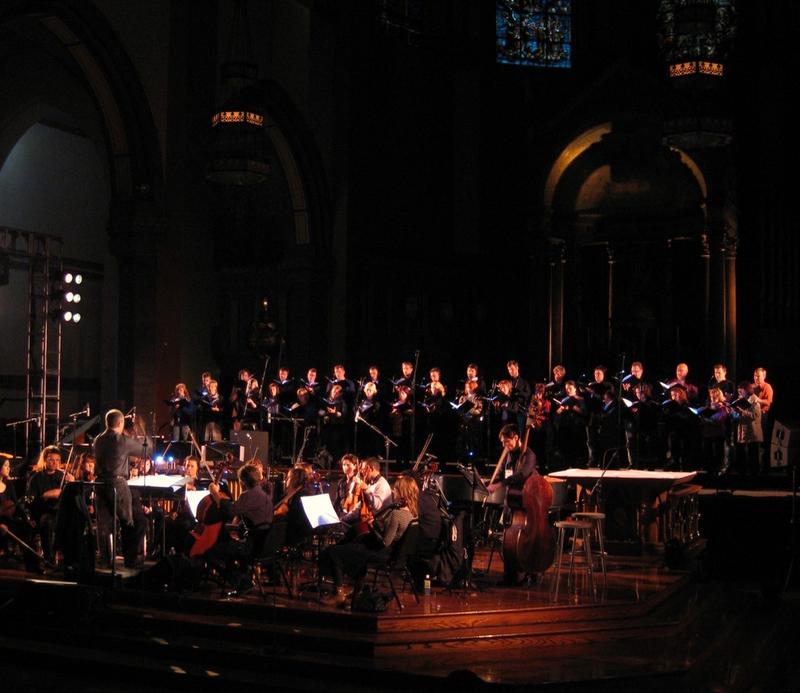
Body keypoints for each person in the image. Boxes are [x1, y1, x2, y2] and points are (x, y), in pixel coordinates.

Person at [319, 473, 418, 607]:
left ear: (402, 493)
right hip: (390, 554)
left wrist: (371, 527)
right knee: (352, 547)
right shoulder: (412, 514)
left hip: (382, 554)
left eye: (396, 489)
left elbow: (385, 542)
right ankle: (358, 590)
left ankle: (338, 594)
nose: (393, 491)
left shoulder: (396, 514)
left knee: (335, 552)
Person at [93, 409, 150, 569]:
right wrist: (140, 428)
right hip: (117, 483)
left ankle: (106, 561)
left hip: (99, 484)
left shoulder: (98, 439)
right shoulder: (122, 440)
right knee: (128, 522)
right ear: (120, 423)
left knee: (104, 524)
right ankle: (130, 560)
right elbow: (147, 450)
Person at [207, 463, 274, 595]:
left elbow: (231, 511)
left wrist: (215, 493)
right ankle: (242, 577)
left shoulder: (249, 495)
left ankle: (241, 581)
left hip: (252, 546)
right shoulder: (264, 495)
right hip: (265, 545)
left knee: (211, 551)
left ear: (242, 482)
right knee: (226, 543)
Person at [487, 424, 539, 586]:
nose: (504, 446)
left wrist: (500, 484)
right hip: (510, 502)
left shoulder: (529, 455)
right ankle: (509, 576)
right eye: (503, 442)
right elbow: (503, 472)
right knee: (508, 540)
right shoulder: (508, 455)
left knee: (525, 540)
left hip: (525, 503)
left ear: (516, 437)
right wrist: (490, 483)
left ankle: (528, 574)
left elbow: (521, 475)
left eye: (507, 441)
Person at [26, 445, 71, 565]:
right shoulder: (36, 477)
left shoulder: (63, 476)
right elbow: (29, 500)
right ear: (45, 459)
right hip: (43, 512)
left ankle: (70, 559)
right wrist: (45, 495)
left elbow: (71, 497)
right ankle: (49, 558)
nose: (55, 463)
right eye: (51, 459)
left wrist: (72, 483)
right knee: (47, 521)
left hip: (60, 512)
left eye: (57, 460)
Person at [0, 457, 41, 572]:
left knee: (26, 528)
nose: (9, 468)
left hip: (7, 519)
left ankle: (32, 565)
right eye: (5, 465)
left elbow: (17, 504)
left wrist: (26, 519)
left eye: (9, 466)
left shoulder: (8, 484)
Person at [731, 381, 763, 476]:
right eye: (739, 392)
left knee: (753, 456)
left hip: (752, 432)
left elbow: (755, 416)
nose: (739, 393)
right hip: (743, 432)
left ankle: (754, 476)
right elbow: (737, 417)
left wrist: (741, 412)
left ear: (747, 390)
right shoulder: (740, 401)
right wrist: (733, 412)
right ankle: (742, 474)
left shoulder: (754, 401)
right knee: (742, 455)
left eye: (741, 391)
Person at [752, 367, 774, 473]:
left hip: (763, 416)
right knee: (755, 442)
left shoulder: (767, 387)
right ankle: (755, 467)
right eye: (755, 376)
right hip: (753, 416)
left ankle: (764, 468)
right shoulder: (752, 387)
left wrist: (758, 400)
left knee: (763, 441)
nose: (756, 378)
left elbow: (768, 402)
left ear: (764, 376)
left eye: (758, 376)